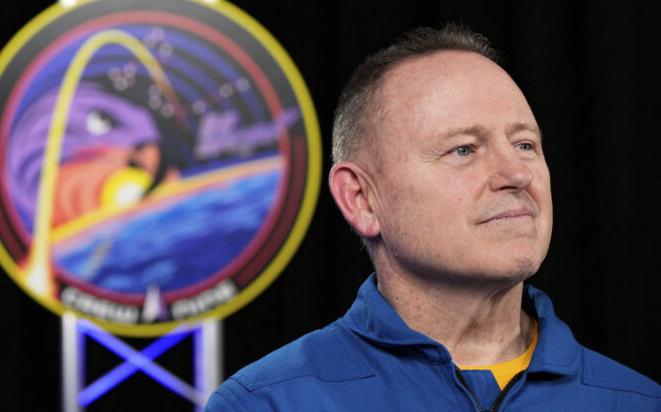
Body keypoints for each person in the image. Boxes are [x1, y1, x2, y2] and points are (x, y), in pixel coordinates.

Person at [204, 24, 660, 411]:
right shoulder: (267, 403)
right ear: (361, 199)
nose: (518, 174)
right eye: (463, 149)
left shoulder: (637, 401)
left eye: (525, 144)